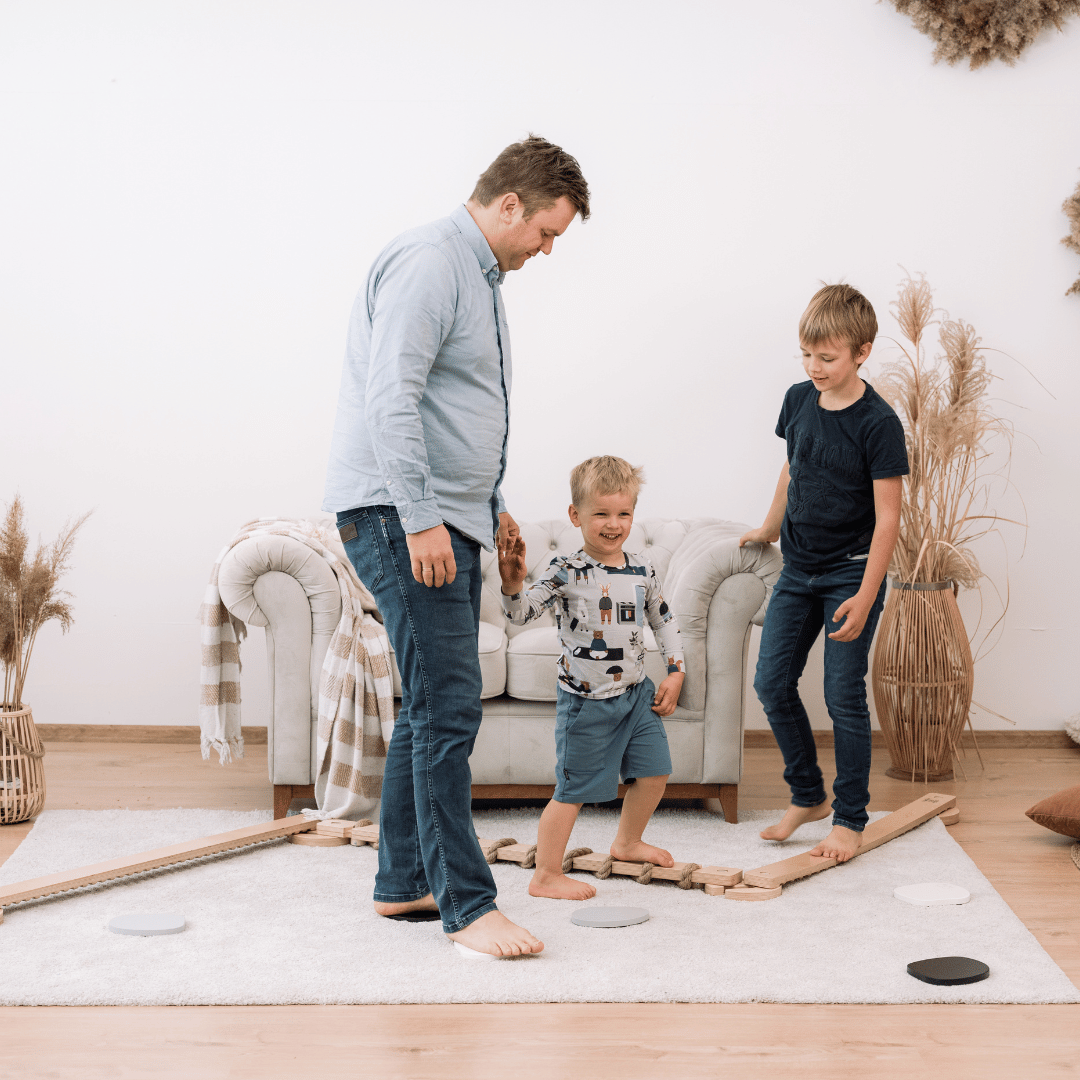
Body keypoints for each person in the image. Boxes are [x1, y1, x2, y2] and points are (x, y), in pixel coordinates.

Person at [323, 135, 590, 957]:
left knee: (432, 704)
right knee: (449, 707)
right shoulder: (431, 262)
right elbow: (391, 399)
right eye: (545, 232)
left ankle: (403, 882)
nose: (545, 251)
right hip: (397, 513)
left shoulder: (474, 273)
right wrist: (424, 518)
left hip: (444, 510)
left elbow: (452, 408)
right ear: (510, 203)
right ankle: (468, 908)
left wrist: (488, 508)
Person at [739, 284, 908, 863]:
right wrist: (767, 528)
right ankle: (807, 794)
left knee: (842, 695)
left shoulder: (878, 423)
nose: (815, 367)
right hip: (798, 568)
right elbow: (793, 469)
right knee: (770, 683)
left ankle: (850, 818)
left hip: (850, 575)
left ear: (861, 352)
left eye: (828, 357)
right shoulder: (798, 399)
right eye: (807, 355)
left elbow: (889, 519)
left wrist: (865, 596)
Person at [497, 456, 685, 900]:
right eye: (601, 513)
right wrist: (511, 586)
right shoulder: (566, 569)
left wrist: (676, 672)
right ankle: (545, 875)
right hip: (587, 700)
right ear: (576, 515)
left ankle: (627, 842)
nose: (613, 524)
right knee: (572, 791)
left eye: (623, 513)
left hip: (636, 694)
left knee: (655, 773)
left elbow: (663, 621)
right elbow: (522, 615)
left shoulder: (642, 568)